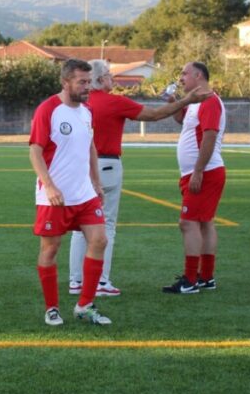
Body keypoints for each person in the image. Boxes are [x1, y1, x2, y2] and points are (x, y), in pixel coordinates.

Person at [68, 60, 210, 296]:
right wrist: (185, 101)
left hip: (80, 166)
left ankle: (76, 281)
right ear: (101, 79)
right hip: (107, 165)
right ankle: (101, 281)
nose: (113, 80)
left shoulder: (78, 103)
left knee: (79, 227)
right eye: (110, 77)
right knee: (106, 225)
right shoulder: (114, 102)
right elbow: (154, 115)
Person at [29, 59, 111, 326]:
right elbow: (35, 151)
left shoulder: (86, 112)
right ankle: (52, 308)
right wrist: (49, 185)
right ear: (66, 82)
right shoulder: (48, 110)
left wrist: (96, 182)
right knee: (51, 249)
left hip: (84, 194)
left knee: (99, 240)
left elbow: (90, 147)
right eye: (82, 82)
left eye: (90, 81)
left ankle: (84, 305)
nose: (88, 87)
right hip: (54, 195)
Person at [162, 61, 227, 294]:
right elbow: (182, 120)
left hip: (205, 172)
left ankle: (190, 280)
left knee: (187, 223)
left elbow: (209, 135)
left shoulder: (209, 100)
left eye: (185, 74)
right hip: (199, 171)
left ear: (198, 75)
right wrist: (173, 103)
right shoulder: (197, 101)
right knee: (204, 222)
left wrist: (198, 170)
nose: (181, 78)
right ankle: (206, 277)